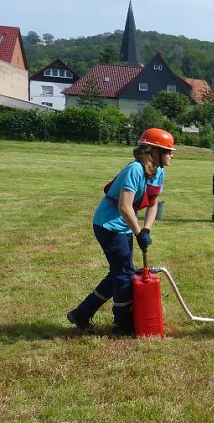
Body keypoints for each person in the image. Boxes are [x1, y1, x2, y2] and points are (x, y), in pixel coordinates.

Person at [67, 128, 175, 336]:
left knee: (119, 272)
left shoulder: (159, 172)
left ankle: (81, 314)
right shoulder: (135, 170)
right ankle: (122, 324)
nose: (171, 156)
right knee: (124, 274)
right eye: (168, 151)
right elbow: (124, 207)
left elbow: (153, 204)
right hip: (108, 224)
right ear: (153, 151)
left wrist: (146, 230)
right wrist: (138, 232)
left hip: (125, 224)